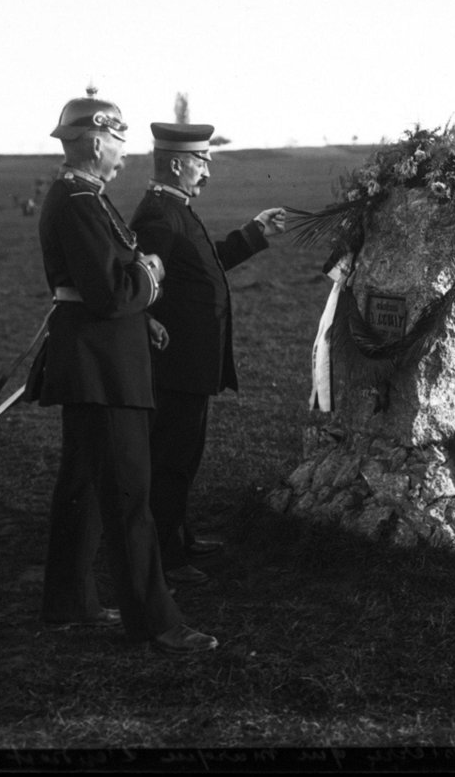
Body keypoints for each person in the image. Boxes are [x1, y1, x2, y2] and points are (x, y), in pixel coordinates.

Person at [31, 90, 218, 654]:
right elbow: (112, 291)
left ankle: (68, 602)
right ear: (94, 141)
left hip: (100, 356)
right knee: (130, 498)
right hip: (105, 369)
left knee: (84, 488)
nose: (124, 155)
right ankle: (155, 623)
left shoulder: (82, 196)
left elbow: (100, 288)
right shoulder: (81, 203)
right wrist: (154, 276)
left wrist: (144, 322)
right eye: (118, 143)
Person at [129, 122, 286, 586]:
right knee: (172, 457)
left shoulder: (173, 206)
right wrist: (146, 322)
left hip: (189, 363)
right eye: (202, 162)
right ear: (177, 163)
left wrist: (254, 232)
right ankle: (167, 556)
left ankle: (179, 535)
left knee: (183, 454)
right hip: (175, 362)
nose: (208, 173)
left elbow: (204, 264)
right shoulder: (159, 215)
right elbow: (140, 283)